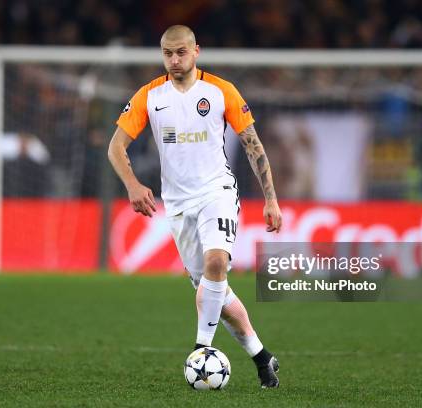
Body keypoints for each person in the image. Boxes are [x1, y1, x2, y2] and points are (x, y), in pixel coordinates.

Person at [108, 25, 282, 388]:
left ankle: (201, 350)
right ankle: (261, 356)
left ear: (196, 51)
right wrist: (133, 184)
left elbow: (253, 145)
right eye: (168, 53)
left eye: (181, 52)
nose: (174, 59)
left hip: (216, 191)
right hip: (177, 205)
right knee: (214, 288)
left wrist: (271, 199)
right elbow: (115, 147)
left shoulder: (221, 91)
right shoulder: (149, 96)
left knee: (216, 262)